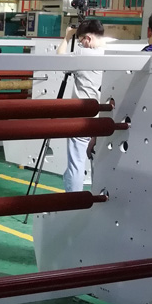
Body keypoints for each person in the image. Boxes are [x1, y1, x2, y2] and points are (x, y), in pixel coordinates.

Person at [56, 19, 106, 192]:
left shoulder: (81, 54)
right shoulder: (110, 53)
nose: (81, 44)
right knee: (99, 161)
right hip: (103, 116)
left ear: (88, 38)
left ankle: (73, 200)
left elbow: (58, 59)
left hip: (82, 116)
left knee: (76, 163)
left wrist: (67, 38)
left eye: (81, 40)